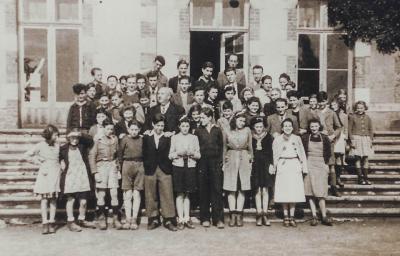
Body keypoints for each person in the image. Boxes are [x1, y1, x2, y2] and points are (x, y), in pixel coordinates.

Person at [143, 114, 177, 231]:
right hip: (150, 169)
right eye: (158, 125)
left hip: (164, 168)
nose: (160, 128)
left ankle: (168, 219)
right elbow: (144, 153)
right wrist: (146, 166)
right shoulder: (147, 137)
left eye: (162, 125)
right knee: (150, 194)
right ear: (153, 124)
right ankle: (153, 219)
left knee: (167, 193)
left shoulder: (168, 137)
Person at [271, 118, 307, 227]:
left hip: (294, 164)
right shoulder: (277, 139)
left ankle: (292, 216)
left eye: (289, 126)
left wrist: (303, 167)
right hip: (283, 164)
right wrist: (274, 166)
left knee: (293, 191)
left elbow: (302, 153)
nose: (287, 128)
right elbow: (274, 154)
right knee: (284, 191)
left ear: (292, 128)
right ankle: (285, 216)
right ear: (282, 128)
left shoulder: (297, 138)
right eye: (285, 126)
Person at [24, 125, 61, 235]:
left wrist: (62, 163)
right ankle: (45, 223)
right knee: (44, 200)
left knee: (53, 199)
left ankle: (52, 222)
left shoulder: (57, 146)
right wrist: (38, 161)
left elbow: (60, 157)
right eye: (55, 135)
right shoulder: (40, 145)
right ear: (49, 135)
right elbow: (27, 155)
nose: (57, 137)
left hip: (55, 173)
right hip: (45, 174)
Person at [60, 130, 96, 232]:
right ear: (68, 138)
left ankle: (81, 219)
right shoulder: (63, 149)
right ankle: (70, 221)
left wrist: (80, 133)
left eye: (76, 138)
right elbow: (57, 157)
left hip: (82, 175)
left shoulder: (82, 146)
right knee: (71, 200)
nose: (75, 140)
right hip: (70, 176)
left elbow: (90, 140)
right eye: (72, 138)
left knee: (83, 201)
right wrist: (61, 162)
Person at [195, 107, 225, 229]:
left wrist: (221, 162)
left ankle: (218, 219)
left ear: (209, 117)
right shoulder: (197, 130)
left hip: (215, 163)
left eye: (203, 117)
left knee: (217, 190)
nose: (200, 119)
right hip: (202, 164)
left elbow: (222, 146)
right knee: (204, 190)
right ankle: (205, 218)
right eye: (200, 117)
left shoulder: (217, 130)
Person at [89, 120, 121, 230]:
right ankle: (102, 217)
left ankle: (116, 219)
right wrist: (95, 172)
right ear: (103, 129)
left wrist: (119, 169)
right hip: (101, 167)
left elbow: (117, 155)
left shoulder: (115, 139)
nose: (110, 131)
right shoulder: (98, 140)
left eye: (111, 129)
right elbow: (92, 156)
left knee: (114, 193)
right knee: (101, 194)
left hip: (112, 167)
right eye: (107, 129)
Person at [169, 117, 201, 230]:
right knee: (179, 193)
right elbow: (170, 155)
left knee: (187, 193)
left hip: (190, 166)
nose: (185, 128)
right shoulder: (174, 138)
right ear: (179, 127)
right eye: (183, 126)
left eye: (187, 126)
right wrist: (178, 153)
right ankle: (180, 218)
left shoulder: (194, 138)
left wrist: (191, 153)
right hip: (178, 167)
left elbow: (198, 155)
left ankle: (187, 218)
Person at [223, 113, 253, 227]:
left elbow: (250, 146)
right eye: (240, 120)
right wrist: (223, 161)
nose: (242, 123)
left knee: (242, 187)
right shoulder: (227, 130)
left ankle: (239, 214)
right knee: (231, 187)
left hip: (244, 158)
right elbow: (224, 147)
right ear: (234, 120)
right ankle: (232, 215)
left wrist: (251, 160)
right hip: (230, 158)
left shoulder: (247, 130)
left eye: (243, 121)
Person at [302, 119, 333, 226]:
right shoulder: (305, 138)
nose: (314, 128)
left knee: (320, 192)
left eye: (315, 126)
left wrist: (326, 165)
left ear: (319, 127)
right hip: (309, 163)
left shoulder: (325, 138)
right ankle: (314, 215)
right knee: (310, 191)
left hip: (321, 164)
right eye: (312, 127)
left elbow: (328, 153)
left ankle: (324, 215)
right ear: (309, 128)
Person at [118, 121, 145, 230]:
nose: (134, 132)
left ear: (139, 130)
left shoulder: (142, 139)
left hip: (139, 165)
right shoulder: (124, 139)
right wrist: (120, 168)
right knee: (127, 194)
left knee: (136, 193)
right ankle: (128, 218)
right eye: (132, 129)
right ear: (128, 129)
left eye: (136, 130)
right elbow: (120, 154)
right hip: (126, 165)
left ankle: (134, 218)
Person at [317, 91, 342, 197]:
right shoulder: (315, 112)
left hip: (329, 142)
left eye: (323, 101)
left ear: (326, 101)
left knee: (331, 165)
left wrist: (333, 135)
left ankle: (333, 187)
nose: (321, 104)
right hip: (318, 142)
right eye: (319, 102)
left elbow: (339, 127)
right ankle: (319, 188)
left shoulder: (331, 113)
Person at [250, 117, 274, 226]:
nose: (259, 129)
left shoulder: (268, 137)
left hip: (266, 165)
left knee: (265, 189)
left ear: (263, 127)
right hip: (255, 165)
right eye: (256, 127)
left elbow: (272, 152)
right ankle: (259, 214)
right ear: (253, 127)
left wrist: (271, 164)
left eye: (260, 126)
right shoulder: (251, 137)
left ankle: (265, 214)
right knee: (257, 189)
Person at [348, 101, 374, 185]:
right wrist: (352, 140)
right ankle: (360, 178)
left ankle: (366, 178)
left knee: (366, 158)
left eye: (361, 108)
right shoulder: (353, 117)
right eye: (358, 108)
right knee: (358, 158)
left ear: (364, 108)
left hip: (366, 139)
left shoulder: (368, 117)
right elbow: (349, 129)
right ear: (356, 108)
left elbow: (371, 129)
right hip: (356, 138)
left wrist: (370, 139)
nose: (360, 109)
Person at [331, 99, 348, 188]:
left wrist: (345, 138)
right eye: (332, 104)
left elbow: (345, 127)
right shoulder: (329, 113)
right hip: (331, 135)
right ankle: (331, 178)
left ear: (338, 105)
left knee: (338, 158)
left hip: (340, 137)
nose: (333, 106)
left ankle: (338, 178)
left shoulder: (343, 115)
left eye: (335, 105)